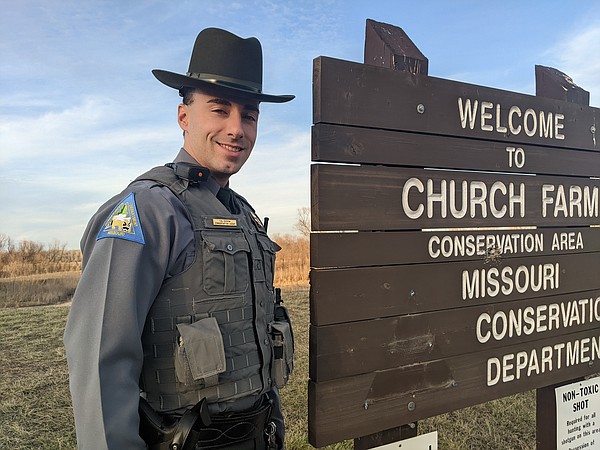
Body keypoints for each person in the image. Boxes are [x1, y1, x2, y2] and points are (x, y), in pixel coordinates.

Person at [64, 27, 295, 450]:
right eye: (220, 110)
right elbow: (100, 358)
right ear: (184, 117)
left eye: (249, 115)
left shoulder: (242, 213)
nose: (236, 128)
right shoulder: (149, 211)